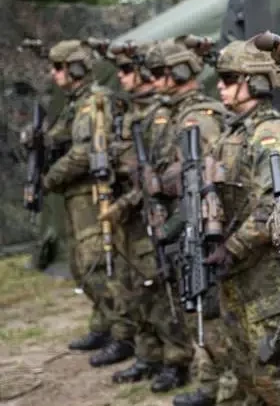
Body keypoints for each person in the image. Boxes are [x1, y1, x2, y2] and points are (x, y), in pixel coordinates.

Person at [175, 38, 280, 406]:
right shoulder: (236, 132)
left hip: (266, 277)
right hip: (238, 276)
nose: (220, 86)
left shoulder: (272, 135)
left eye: (230, 78)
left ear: (256, 81)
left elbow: (275, 206)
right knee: (245, 370)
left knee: (277, 378)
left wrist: (231, 247)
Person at [142, 37, 232, 396]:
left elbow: (204, 175)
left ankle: (221, 384)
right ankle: (212, 382)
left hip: (198, 221)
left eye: (158, 73)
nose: (152, 81)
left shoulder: (198, 117)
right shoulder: (177, 113)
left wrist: (167, 187)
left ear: (178, 72)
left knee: (209, 310)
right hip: (185, 219)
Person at [23, 40, 122, 354]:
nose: (53, 74)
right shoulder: (75, 104)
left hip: (92, 194)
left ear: (76, 68)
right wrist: (38, 139)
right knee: (81, 266)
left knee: (95, 264)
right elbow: (61, 136)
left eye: (58, 67)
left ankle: (123, 331)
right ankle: (103, 325)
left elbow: (83, 153)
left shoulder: (94, 102)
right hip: (75, 194)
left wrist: (49, 179)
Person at [96, 41, 173, 381]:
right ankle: (147, 353)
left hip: (148, 211)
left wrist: (124, 203)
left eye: (127, 70)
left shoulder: (158, 113)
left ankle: (175, 357)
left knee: (155, 286)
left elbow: (158, 171)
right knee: (133, 287)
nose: (121, 76)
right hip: (129, 212)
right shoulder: (128, 112)